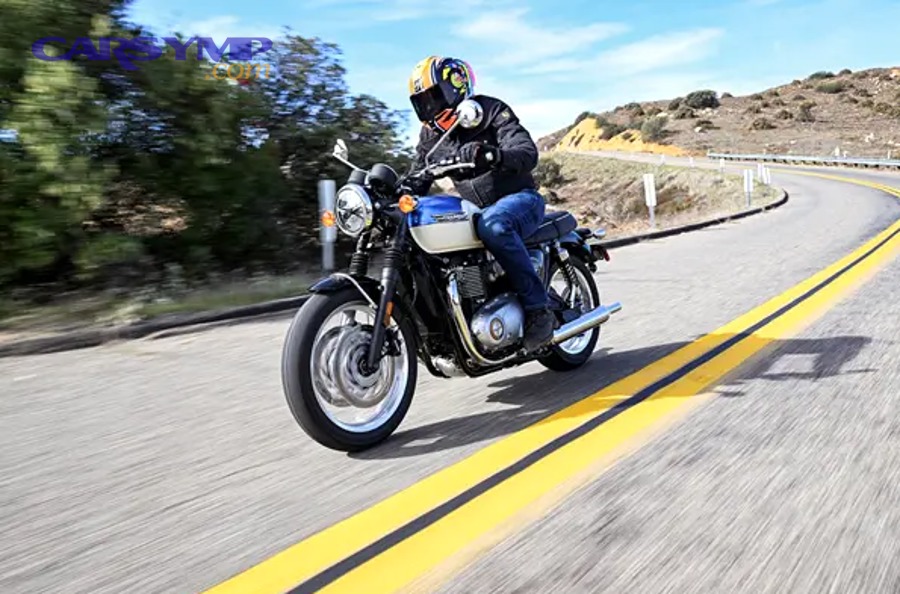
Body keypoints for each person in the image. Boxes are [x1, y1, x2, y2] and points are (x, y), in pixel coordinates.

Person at [403, 55, 555, 351]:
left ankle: (539, 311)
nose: (429, 108)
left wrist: (493, 155)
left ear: (456, 86)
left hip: (520, 200)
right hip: (475, 209)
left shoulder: (490, 111)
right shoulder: (431, 135)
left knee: (494, 225)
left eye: (434, 97)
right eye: (422, 102)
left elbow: (526, 152)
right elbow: (418, 174)